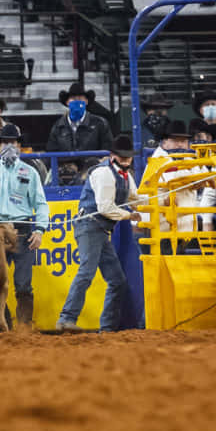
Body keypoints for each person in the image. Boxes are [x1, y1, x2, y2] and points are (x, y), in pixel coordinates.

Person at [57, 134, 141, 332]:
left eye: (128, 157)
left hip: (99, 229)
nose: (126, 160)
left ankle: (107, 327)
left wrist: (160, 198)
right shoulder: (104, 173)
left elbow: (136, 198)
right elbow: (105, 207)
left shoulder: (126, 177)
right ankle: (66, 318)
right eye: (122, 157)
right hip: (90, 225)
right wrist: (129, 216)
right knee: (87, 271)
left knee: (116, 280)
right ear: (113, 156)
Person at [0, 123, 50, 327]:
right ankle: (4, 322)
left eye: (12, 142)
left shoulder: (30, 172)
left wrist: (40, 230)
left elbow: (41, 204)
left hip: (22, 229)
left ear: (18, 145)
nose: (9, 146)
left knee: (23, 283)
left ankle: (24, 328)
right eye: (5, 142)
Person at [150, 119, 216, 246]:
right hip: (162, 227)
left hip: (186, 226)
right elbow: (144, 195)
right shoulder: (155, 162)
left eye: (183, 141)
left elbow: (204, 177)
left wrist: (206, 179)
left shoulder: (190, 159)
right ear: (164, 142)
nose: (180, 144)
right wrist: (163, 200)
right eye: (175, 140)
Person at [46, 82, 113, 185]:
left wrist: (92, 166)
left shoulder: (100, 124)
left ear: (86, 101)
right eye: (73, 98)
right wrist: (66, 165)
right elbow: (51, 153)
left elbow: (108, 151)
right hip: (64, 175)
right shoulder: (58, 126)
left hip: (94, 174)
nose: (77, 101)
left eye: (80, 98)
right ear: (67, 102)